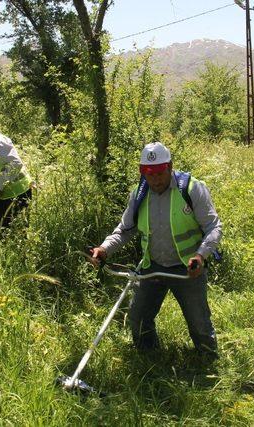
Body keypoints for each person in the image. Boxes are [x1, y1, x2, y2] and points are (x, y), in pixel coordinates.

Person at [90, 142, 222, 357]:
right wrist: (104, 249)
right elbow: (125, 230)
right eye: (149, 174)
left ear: (170, 166)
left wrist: (200, 255)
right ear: (142, 172)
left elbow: (213, 226)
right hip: (152, 267)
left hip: (188, 268)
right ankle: (149, 360)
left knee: (199, 322)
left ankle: (208, 361)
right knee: (138, 317)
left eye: (160, 173)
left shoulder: (191, 189)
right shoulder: (140, 194)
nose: (155, 179)